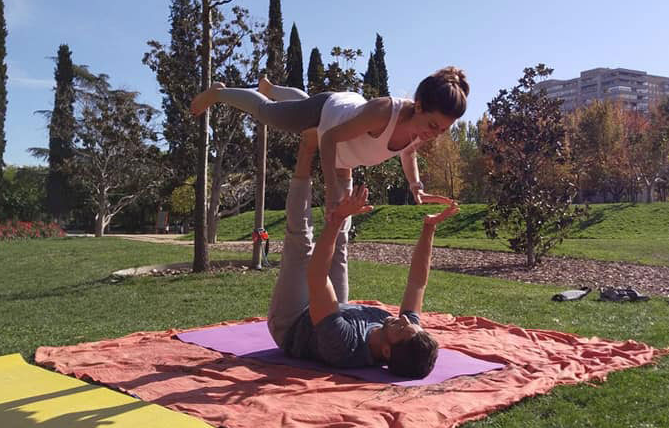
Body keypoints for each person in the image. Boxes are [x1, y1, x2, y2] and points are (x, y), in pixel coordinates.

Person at [191, 66, 468, 302]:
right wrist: (332, 189)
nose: (435, 134)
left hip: (344, 142)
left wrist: (415, 184)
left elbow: (409, 151)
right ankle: (219, 92)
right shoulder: (383, 112)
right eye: (433, 125)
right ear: (418, 106)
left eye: (443, 130)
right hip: (327, 114)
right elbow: (329, 139)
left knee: (340, 237)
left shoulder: (420, 129)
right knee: (269, 113)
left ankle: (272, 86)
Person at [267, 131, 459, 376]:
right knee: (341, 245)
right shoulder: (406, 332)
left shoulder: (345, 344)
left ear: (387, 353)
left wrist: (337, 218)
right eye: (410, 323)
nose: (405, 320)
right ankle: (343, 158)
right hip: (333, 310)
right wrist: (428, 228)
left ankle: (306, 147)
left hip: (293, 322)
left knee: (301, 242)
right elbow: (417, 283)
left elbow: (316, 275)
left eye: (402, 328)